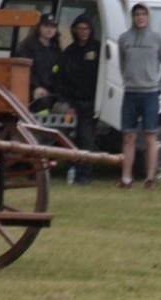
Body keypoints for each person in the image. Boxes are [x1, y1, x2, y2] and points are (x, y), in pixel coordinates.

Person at [116, 3, 161, 190]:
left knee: (150, 137)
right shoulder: (124, 39)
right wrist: (129, 80)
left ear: (148, 17)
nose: (140, 18)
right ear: (132, 17)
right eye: (137, 14)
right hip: (130, 93)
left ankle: (150, 179)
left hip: (150, 95)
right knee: (128, 136)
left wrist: (159, 87)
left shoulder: (157, 39)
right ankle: (126, 179)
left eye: (143, 14)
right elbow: (122, 63)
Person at [57, 15, 101, 184]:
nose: (83, 32)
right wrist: (64, 99)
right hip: (72, 101)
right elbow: (62, 77)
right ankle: (71, 170)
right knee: (69, 138)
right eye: (80, 29)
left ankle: (84, 175)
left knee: (87, 138)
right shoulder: (70, 51)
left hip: (90, 101)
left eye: (86, 28)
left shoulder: (97, 49)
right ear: (74, 30)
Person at [16, 14, 60, 104]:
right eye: (46, 26)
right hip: (31, 91)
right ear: (39, 28)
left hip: (52, 91)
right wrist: (36, 87)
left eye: (53, 27)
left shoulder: (56, 50)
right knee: (41, 104)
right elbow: (26, 72)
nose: (49, 30)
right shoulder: (27, 48)